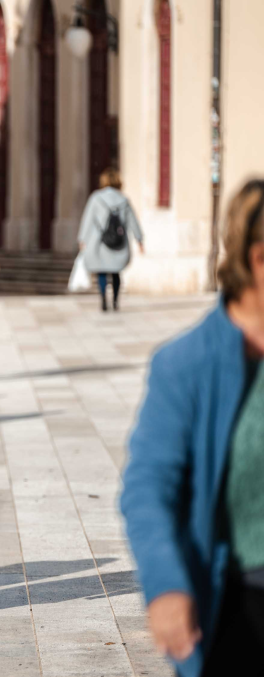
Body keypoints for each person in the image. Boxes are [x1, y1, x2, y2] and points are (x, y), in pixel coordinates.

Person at [122, 179, 264, 677]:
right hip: (240, 606)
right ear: (257, 259)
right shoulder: (187, 365)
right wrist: (166, 585)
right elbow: (147, 488)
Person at [77, 167, 144, 312]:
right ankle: (115, 301)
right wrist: (139, 239)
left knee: (101, 271)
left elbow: (88, 220)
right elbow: (133, 221)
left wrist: (82, 239)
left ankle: (103, 300)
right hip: (119, 243)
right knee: (115, 272)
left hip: (99, 243)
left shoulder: (96, 198)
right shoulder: (124, 199)